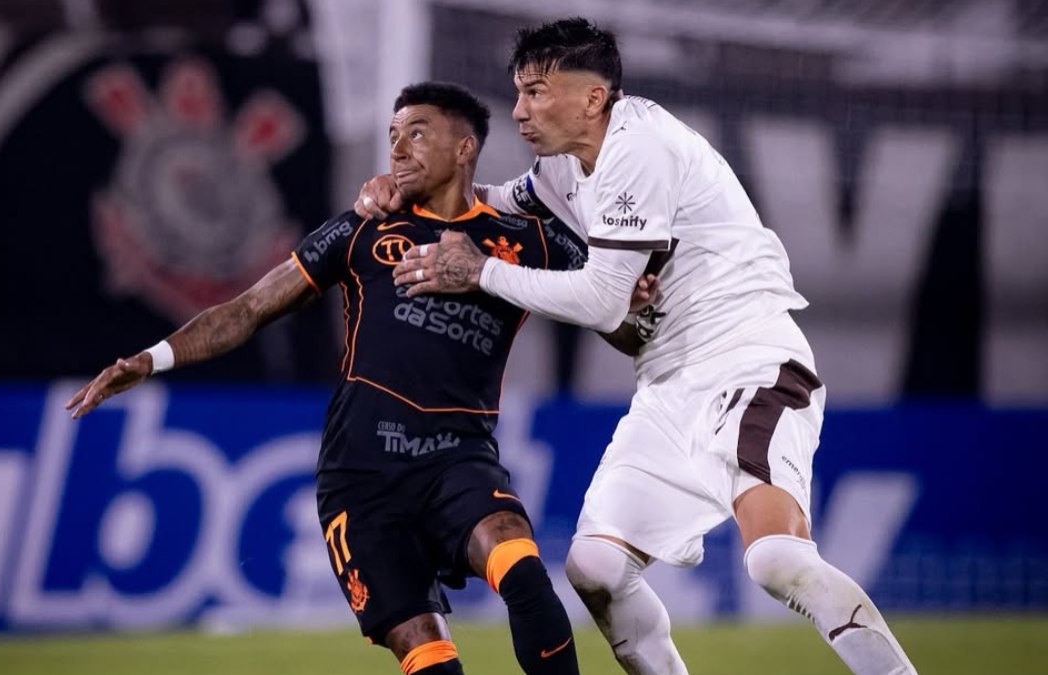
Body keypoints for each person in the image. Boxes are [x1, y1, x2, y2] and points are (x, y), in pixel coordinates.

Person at [356, 18, 918, 675]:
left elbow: (602, 300)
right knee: (595, 567)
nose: (519, 111)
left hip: (748, 361)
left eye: (536, 92)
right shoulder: (562, 168)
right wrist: (405, 190)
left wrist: (480, 271)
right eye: (518, 92)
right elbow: (488, 202)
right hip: (667, 383)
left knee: (775, 560)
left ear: (592, 98)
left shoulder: (639, 147)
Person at [68, 81, 653, 675]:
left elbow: (610, 312)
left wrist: (632, 305)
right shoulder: (361, 229)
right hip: (360, 478)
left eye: (417, 133)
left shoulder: (526, 239)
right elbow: (250, 308)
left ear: (464, 148)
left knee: (522, 571)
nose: (397, 148)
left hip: (458, 457)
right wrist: (151, 359)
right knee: (430, 657)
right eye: (393, 135)